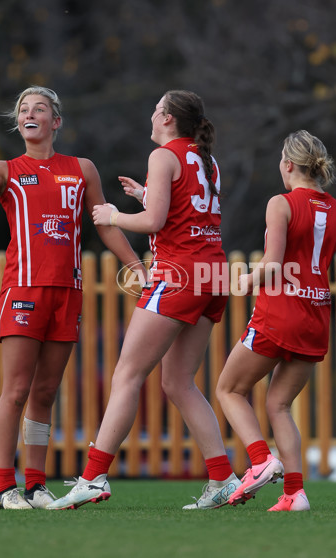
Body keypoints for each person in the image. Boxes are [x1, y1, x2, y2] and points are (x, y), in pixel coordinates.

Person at [48, 90, 240, 511]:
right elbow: (186, 212)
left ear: (169, 118)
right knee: (178, 382)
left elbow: (155, 221)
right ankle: (223, 478)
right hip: (213, 274)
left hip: (179, 274)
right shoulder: (205, 158)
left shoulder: (163, 156)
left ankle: (94, 476)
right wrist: (146, 195)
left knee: (127, 374)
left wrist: (113, 215)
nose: (151, 115)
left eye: (157, 109)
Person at [0, 86, 145, 510]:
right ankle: (5, 487)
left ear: (55, 121)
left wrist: (135, 264)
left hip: (68, 292)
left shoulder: (81, 168)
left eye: (39, 109)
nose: (30, 114)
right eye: (23, 109)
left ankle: (35, 484)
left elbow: (106, 223)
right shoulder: (7, 168)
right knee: (16, 389)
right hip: (23, 289)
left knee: (45, 392)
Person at [216, 130, 336, 512]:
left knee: (228, 389)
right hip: (316, 320)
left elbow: (274, 264)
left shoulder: (281, 203)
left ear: (288, 165)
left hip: (278, 316)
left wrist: (246, 279)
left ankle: (261, 460)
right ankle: (295, 493)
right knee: (279, 405)